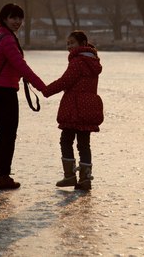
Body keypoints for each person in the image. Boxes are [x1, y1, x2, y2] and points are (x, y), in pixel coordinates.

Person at [0, 3, 46, 190]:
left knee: (2, 134)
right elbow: (21, 66)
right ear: (4, 18)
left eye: (20, 18)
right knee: (8, 135)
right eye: (13, 17)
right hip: (4, 92)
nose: (17, 21)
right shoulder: (7, 40)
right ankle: (3, 176)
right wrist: (43, 87)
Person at [42, 30, 103, 190]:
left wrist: (46, 90)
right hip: (89, 107)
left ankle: (69, 176)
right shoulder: (93, 61)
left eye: (72, 43)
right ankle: (85, 179)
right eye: (67, 43)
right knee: (84, 144)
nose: (69, 46)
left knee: (66, 140)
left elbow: (65, 81)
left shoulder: (78, 61)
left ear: (82, 44)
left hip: (76, 107)